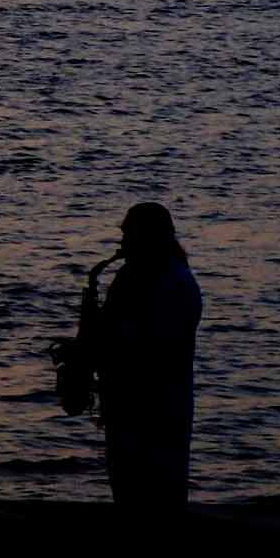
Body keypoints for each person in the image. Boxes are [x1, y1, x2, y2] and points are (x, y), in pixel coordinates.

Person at [96, 201, 203, 513]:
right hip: (134, 403)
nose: (122, 242)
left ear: (149, 236)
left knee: (155, 495)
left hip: (156, 405)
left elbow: (149, 343)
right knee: (130, 490)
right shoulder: (138, 274)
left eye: (129, 234)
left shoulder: (172, 281)